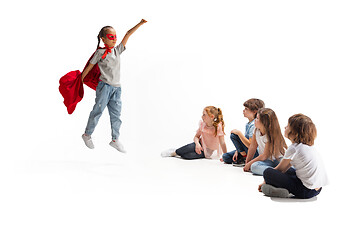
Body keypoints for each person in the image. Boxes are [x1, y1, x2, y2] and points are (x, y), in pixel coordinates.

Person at [81, 19, 147, 152]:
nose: (114, 39)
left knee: (116, 114)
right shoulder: (100, 53)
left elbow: (128, 34)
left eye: (115, 36)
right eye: (111, 37)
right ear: (103, 39)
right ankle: (87, 134)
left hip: (117, 88)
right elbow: (90, 66)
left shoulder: (117, 50)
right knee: (97, 111)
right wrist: (80, 79)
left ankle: (115, 139)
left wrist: (140, 23)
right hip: (104, 87)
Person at [259, 114, 329, 199]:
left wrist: (265, 181)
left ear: (295, 132)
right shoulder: (308, 147)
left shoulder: (294, 148)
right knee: (289, 170)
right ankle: (280, 188)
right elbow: (285, 168)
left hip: (305, 191)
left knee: (268, 172)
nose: (285, 127)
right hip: (317, 189)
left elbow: (280, 169)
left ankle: (283, 191)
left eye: (288, 126)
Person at [161, 106, 227, 160]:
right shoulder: (203, 125)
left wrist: (226, 155)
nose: (202, 116)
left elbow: (222, 142)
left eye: (204, 115)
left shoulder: (218, 127)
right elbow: (196, 137)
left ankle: (178, 152)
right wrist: (197, 144)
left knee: (187, 156)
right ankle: (174, 152)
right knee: (183, 150)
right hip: (200, 144)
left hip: (207, 151)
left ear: (212, 117)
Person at [221, 98, 264, 166]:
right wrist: (238, 150)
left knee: (234, 135)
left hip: (255, 152)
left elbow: (250, 145)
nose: (243, 111)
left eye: (246, 109)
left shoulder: (254, 125)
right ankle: (243, 157)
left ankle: (245, 158)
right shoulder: (248, 124)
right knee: (225, 157)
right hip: (247, 150)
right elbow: (244, 141)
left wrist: (239, 133)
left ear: (254, 111)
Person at [243, 108, 287, 175]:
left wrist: (250, 163)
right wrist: (247, 162)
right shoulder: (256, 130)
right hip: (267, 161)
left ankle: (276, 172)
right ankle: (276, 171)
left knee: (289, 167)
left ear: (264, 122)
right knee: (254, 166)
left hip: (278, 159)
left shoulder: (270, 134)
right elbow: (252, 147)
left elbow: (265, 155)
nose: (255, 120)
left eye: (257, 118)